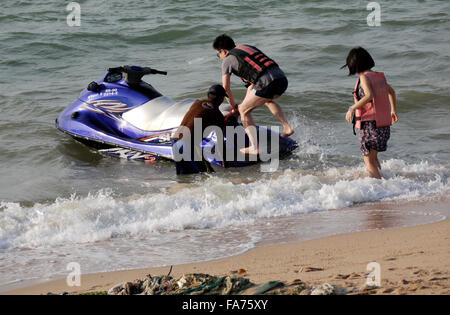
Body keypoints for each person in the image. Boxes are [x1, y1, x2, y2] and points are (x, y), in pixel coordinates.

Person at [213, 34, 294, 155]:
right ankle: (286, 126)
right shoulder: (247, 47)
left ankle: (255, 147)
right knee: (267, 100)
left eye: (218, 54)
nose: (219, 57)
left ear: (223, 51)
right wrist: (243, 103)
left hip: (267, 83)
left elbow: (225, 88)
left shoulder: (227, 60)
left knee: (244, 111)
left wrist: (235, 107)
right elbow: (251, 87)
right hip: (281, 79)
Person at [343, 47, 398, 179]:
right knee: (374, 159)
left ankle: (379, 188)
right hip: (384, 127)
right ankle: (384, 182)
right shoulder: (379, 77)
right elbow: (392, 92)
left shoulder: (364, 77)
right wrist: (393, 110)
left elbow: (369, 96)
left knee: (368, 161)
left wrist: (352, 108)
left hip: (371, 127)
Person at [171, 84, 227, 174]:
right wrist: (225, 164)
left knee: (186, 178)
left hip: (175, 142)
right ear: (221, 99)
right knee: (202, 177)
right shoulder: (217, 115)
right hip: (187, 146)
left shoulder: (196, 103)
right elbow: (220, 145)